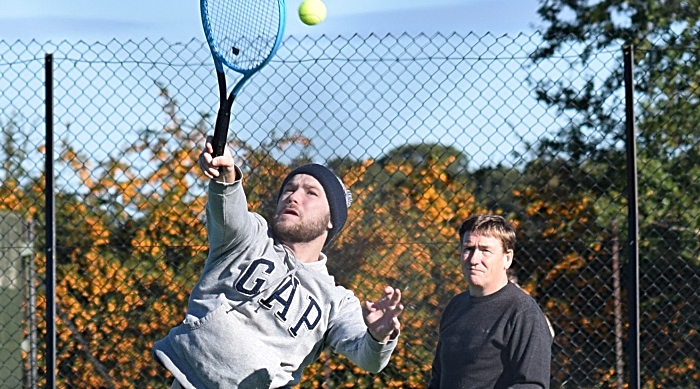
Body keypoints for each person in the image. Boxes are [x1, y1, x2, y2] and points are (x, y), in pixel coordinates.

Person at [153, 138, 404, 389]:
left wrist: (379, 337)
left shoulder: (337, 301)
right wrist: (226, 175)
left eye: (310, 192)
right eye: (289, 189)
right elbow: (229, 210)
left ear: (331, 219)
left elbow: (370, 360)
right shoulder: (250, 237)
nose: (293, 196)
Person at [428, 214, 552, 389]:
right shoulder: (455, 307)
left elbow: (531, 385)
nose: (474, 259)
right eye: (468, 249)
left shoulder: (523, 312)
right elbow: (438, 379)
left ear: (507, 258)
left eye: (485, 250)